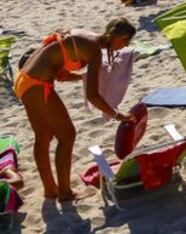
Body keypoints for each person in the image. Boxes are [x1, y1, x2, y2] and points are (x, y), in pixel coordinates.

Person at [14, 18, 137, 200]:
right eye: (125, 40)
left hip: (25, 80)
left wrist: (82, 78)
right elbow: (93, 96)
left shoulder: (86, 36)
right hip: (38, 85)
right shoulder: (94, 50)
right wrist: (116, 114)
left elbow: (60, 73)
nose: (125, 45)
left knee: (44, 136)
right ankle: (65, 192)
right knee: (67, 135)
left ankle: (50, 190)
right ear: (115, 36)